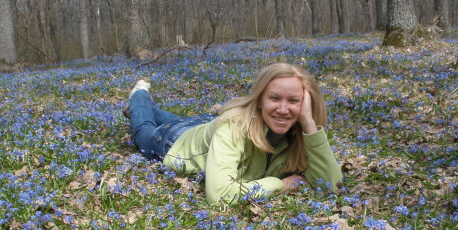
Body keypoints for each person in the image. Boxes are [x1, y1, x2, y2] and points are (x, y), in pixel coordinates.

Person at [125, 62, 343, 204]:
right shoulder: (233, 127)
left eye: (294, 101)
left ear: (306, 104)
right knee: (144, 129)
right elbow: (219, 196)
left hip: (209, 125)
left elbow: (331, 186)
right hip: (177, 140)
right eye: (275, 98)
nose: (283, 109)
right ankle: (139, 96)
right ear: (259, 100)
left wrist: (309, 124)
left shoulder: (300, 133)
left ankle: (144, 109)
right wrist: (280, 184)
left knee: (184, 121)